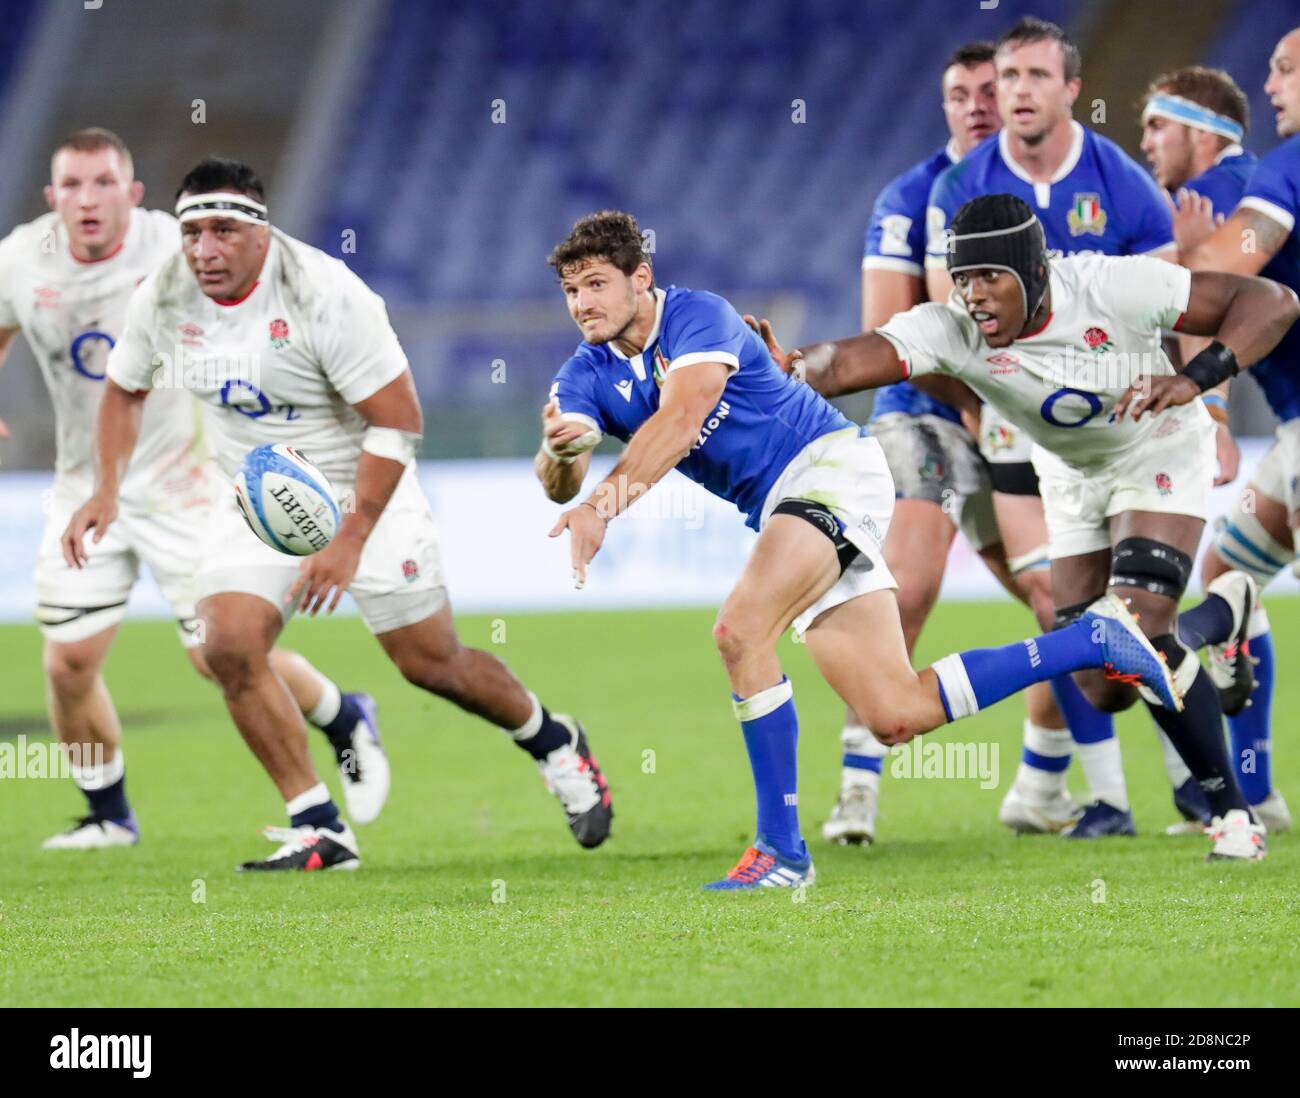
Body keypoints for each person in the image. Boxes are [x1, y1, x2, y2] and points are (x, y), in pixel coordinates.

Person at [538, 209, 1182, 889]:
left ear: (641, 278)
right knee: (896, 713)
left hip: (828, 468)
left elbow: (685, 412)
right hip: (787, 505)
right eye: (572, 292)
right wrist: (561, 457)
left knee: (741, 631)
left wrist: (605, 504)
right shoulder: (583, 372)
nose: (583, 304)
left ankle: (781, 850)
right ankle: (1094, 639)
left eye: (597, 285)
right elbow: (560, 473)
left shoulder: (698, 317)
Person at [62, 157, 612, 871]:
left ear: (261, 233)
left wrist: (348, 541)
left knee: (430, 664)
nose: (205, 249)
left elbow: (397, 421)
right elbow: (124, 390)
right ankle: (319, 825)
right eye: (193, 232)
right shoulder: (164, 294)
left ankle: (552, 741)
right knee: (225, 643)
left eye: (224, 231)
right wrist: (105, 489)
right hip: (259, 491)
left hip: (364, 482)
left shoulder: (325, 292)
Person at [751, 194, 1300, 861]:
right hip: (1069, 477)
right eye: (963, 278)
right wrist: (794, 367)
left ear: (1033, 273)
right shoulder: (952, 327)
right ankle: (1222, 614)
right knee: (1103, 680)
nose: (973, 295)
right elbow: (849, 360)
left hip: (1158, 448)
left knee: (1141, 628)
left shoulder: (1109, 284)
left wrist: (1195, 379)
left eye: (990, 277)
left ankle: (1232, 817)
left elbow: (1273, 302)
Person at [0, 130, 383, 850]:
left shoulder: (177, 244)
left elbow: (270, 278)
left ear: (133, 193)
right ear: (52, 198)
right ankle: (109, 815)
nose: (89, 200)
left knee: (217, 655)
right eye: (74, 186)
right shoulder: (20, 260)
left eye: (104, 184)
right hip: (86, 486)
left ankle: (342, 714)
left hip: (188, 479)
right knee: (68, 661)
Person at [924, 17, 1203, 836]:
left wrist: (1206, 404)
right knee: (1060, 606)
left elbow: (1175, 298)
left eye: (1036, 77)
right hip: (1017, 424)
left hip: (1129, 418)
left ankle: (1170, 778)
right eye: (1007, 77)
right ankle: (1104, 795)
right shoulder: (959, 185)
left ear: (1072, 88)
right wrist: (983, 409)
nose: (1017, 92)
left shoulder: (1120, 183)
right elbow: (951, 322)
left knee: (1136, 608)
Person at [839, 38, 1084, 847]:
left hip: (1027, 422)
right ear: (945, 105)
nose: (980, 102)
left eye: (994, 87)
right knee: (907, 591)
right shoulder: (911, 199)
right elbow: (889, 329)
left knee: (1061, 605)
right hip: (930, 413)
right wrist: (986, 408)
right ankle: (857, 794)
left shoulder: (1041, 190)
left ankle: (1042, 787)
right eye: (963, 92)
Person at [1161, 33, 1300, 834]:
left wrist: (1186, 254)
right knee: (1227, 586)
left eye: (1286, 69)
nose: (1270, 83)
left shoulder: (1281, 171)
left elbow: (1222, 265)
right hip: (1290, 436)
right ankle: (1258, 789)